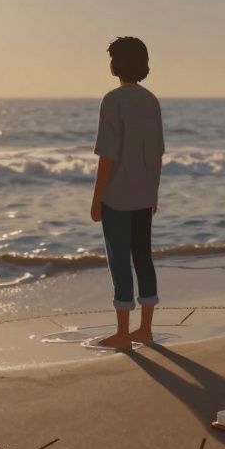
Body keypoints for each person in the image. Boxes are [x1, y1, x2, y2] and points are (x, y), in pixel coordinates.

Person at [89, 36, 164, 349]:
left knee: (119, 261)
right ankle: (144, 329)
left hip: (117, 197)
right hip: (144, 195)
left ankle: (123, 333)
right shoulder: (151, 101)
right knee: (143, 258)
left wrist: (96, 200)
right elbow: (158, 153)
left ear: (117, 64)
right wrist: (153, 194)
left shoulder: (113, 100)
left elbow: (108, 156)